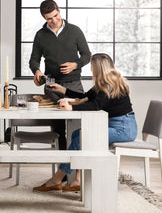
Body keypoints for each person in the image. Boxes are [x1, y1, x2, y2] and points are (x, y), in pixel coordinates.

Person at [33, 53, 137, 192]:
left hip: (124, 129)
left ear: (99, 68)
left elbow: (95, 106)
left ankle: (56, 180)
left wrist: (72, 107)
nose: (91, 69)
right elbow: (85, 97)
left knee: (83, 137)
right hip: (116, 125)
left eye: (92, 66)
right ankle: (77, 180)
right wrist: (61, 89)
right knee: (77, 134)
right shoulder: (103, 84)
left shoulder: (110, 85)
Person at [29, 0, 91, 151]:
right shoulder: (40, 35)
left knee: (77, 124)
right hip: (51, 82)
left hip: (74, 81)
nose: (54, 20)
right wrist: (36, 70)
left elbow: (87, 55)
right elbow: (34, 60)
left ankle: (75, 165)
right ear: (44, 18)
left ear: (59, 10)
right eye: (49, 18)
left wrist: (75, 64)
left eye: (56, 15)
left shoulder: (75, 31)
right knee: (57, 127)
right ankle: (62, 168)